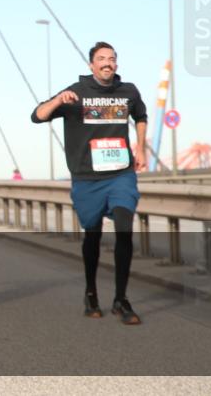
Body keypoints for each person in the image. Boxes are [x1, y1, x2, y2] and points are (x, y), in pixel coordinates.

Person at [31, 41, 147, 324]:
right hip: (87, 178)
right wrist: (59, 100)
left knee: (123, 228)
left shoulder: (128, 91)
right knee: (92, 235)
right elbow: (37, 116)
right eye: (102, 59)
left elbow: (141, 116)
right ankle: (91, 292)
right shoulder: (77, 93)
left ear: (116, 63)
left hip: (121, 174)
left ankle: (121, 299)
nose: (108, 63)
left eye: (112, 58)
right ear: (91, 65)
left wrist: (140, 147)